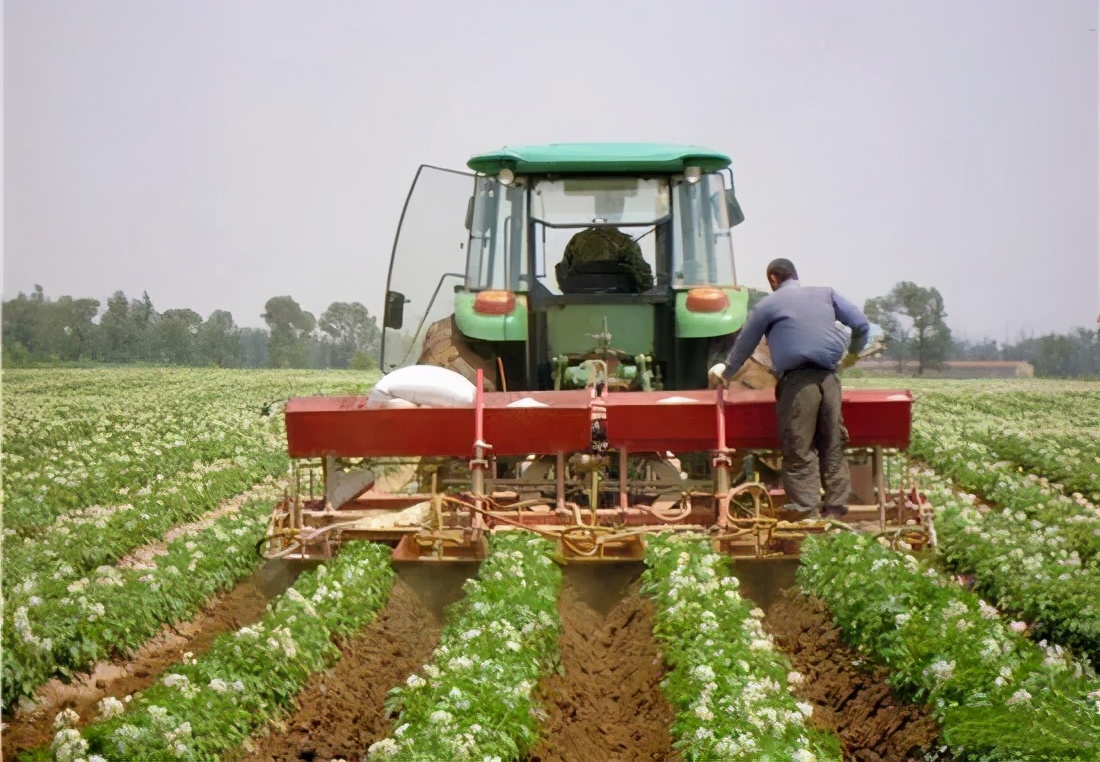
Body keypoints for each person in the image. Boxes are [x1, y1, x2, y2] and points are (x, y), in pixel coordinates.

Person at [708, 258, 869, 519]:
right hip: (830, 380)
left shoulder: (767, 305)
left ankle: (807, 514)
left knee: (798, 447)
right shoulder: (826, 294)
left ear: (773, 279)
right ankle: (835, 512)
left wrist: (724, 371)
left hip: (798, 382)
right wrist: (852, 354)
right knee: (832, 444)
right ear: (795, 275)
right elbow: (861, 325)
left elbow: (744, 345)